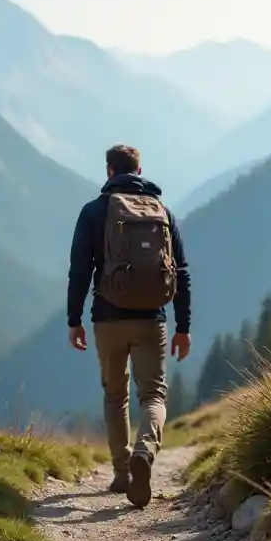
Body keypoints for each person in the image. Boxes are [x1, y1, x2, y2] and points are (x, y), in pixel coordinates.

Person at [67, 144, 191, 509]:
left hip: (107, 318)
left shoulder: (94, 211)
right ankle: (145, 451)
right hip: (152, 319)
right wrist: (183, 326)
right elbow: (180, 271)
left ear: (109, 172)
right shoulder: (162, 211)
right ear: (140, 170)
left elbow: (79, 269)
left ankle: (123, 473)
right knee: (153, 396)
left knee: (115, 395)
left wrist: (74, 319)